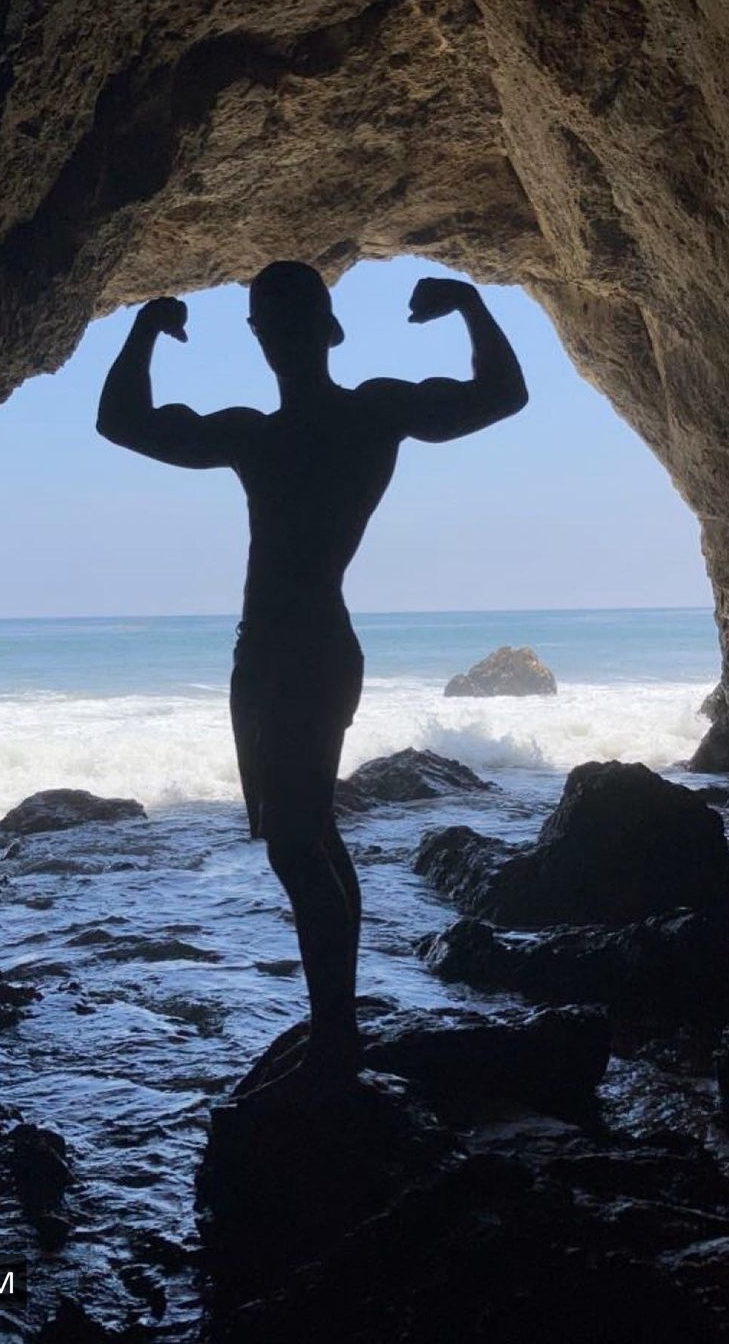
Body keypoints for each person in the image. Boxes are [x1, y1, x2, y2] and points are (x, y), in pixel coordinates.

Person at [97, 262, 527, 1102]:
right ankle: (338, 1024)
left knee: (294, 844)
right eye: (272, 324)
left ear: (314, 333)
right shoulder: (353, 418)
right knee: (312, 833)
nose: (277, 337)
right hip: (290, 648)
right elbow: (500, 393)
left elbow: (123, 420)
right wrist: (469, 308)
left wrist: (146, 331)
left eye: (279, 322)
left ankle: (335, 1038)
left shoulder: (278, 431)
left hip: (293, 651)